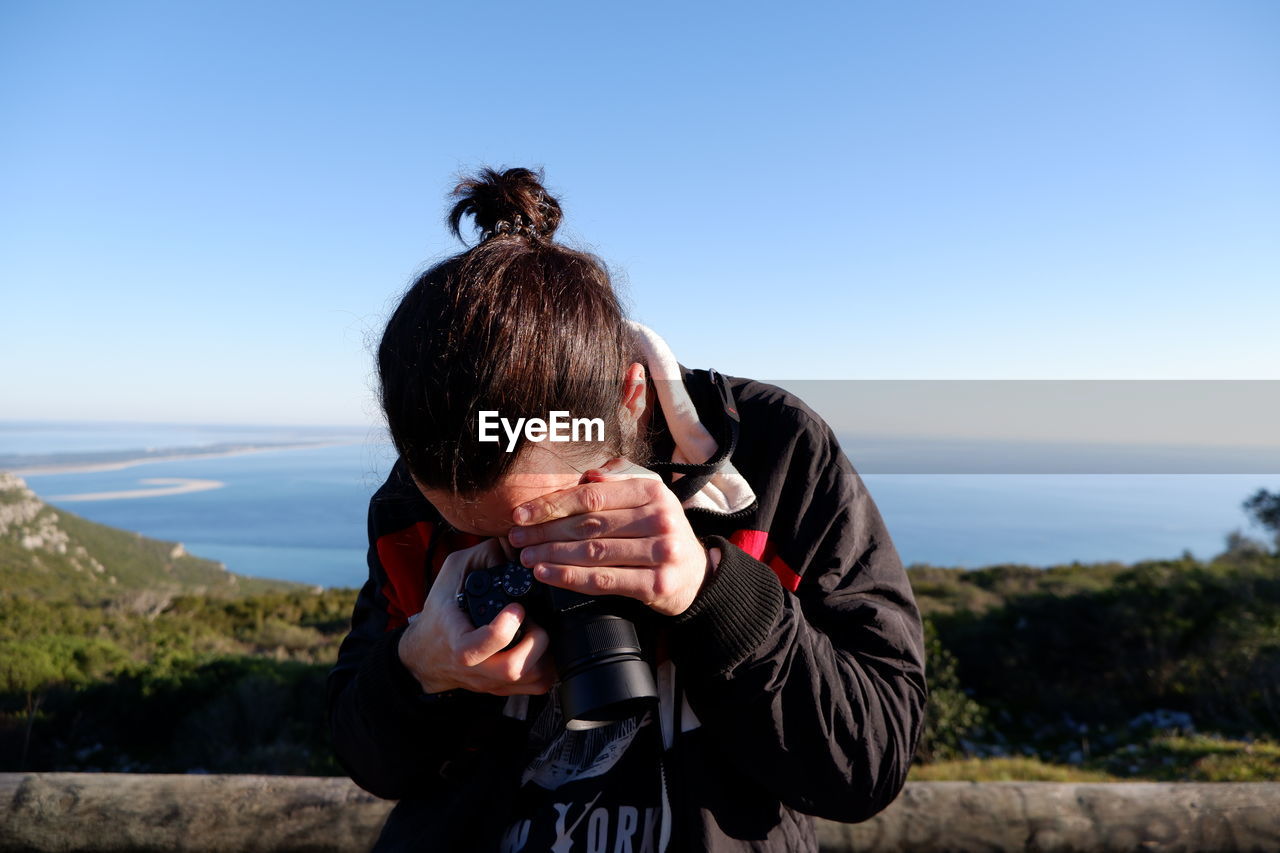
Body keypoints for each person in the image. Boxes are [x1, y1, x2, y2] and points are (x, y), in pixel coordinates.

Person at [326, 167, 928, 852]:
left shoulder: (778, 452)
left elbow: (868, 762)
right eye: (474, 529)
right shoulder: (415, 496)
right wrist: (420, 669)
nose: (519, 556)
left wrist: (714, 594)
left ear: (629, 395)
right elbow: (368, 756)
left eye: (551, 516)